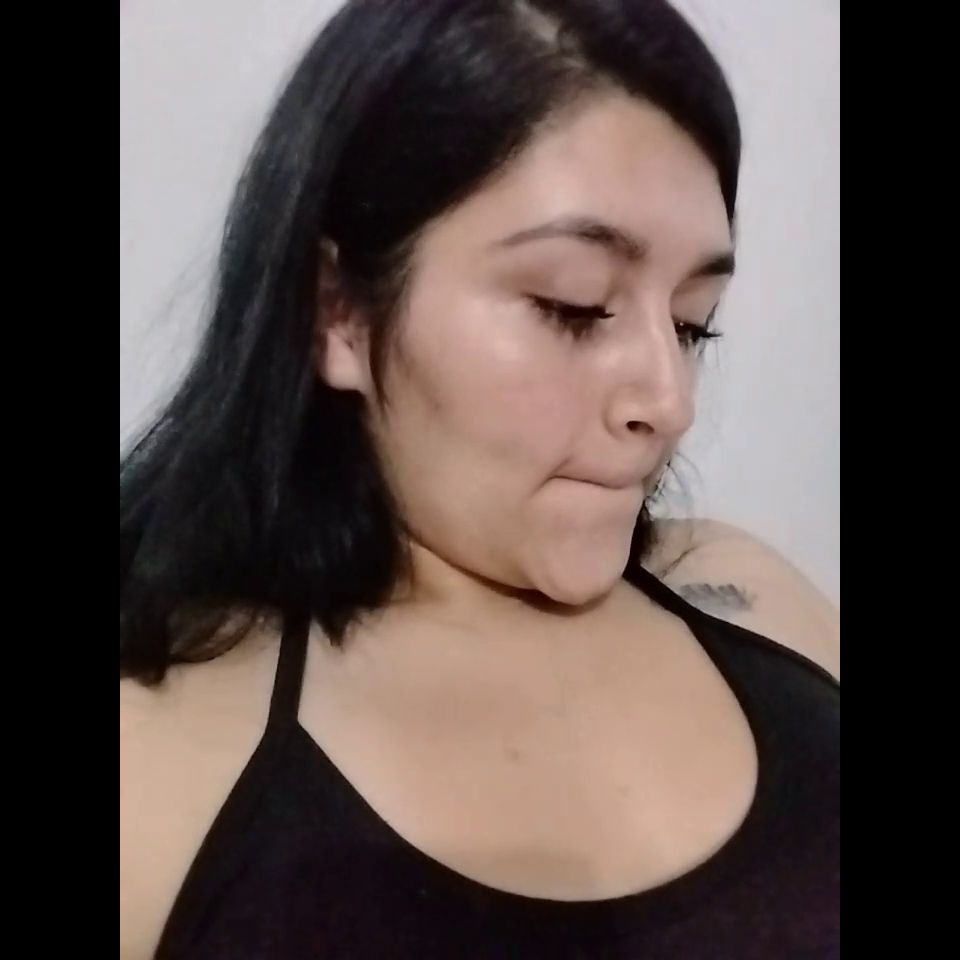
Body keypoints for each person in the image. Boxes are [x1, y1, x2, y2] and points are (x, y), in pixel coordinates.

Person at [119, 1, 840, 957]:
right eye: (574, 307)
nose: (670, 402)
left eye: (692, 322)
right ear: (338, 310)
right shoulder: (160, 752)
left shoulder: (760, 603)